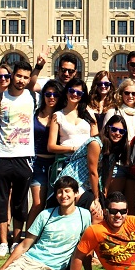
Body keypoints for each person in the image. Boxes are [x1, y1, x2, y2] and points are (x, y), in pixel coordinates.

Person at [0, 61, 36, 256]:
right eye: (19, 76)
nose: (22, 80)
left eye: (25, 77)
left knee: (20, 203)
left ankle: (15, 241)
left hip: (24, 157)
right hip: (3, 155)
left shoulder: (32, 96)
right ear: (12, 76)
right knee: (1, 201)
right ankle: (3, 241)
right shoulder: (0, 98)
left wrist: (40, 65)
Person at [102, 78, 135, 210]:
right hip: (117, 163)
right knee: (113, 201)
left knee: (131, 207)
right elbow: (104, 137)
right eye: (127, 93)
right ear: (121, 93)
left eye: (134, 93)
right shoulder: (113, 112)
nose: (130, 96)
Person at [47, 78, 98, 206]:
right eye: (72, 90)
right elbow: (51, 146)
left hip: (86, 164)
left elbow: (95, 140)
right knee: (65, 202)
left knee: (86, 202)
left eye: (79, 93)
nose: (75, 94)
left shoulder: (89, 114)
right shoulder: (58, 115)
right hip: (65, 163)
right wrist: (73, 149)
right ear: (66, 92)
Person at [26, 80, 64, 229]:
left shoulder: (62, 115)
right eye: (48, 94)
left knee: (53, 204)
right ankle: (26, 238)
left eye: (55, 94)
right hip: (37, 163)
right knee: (37, 203)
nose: (52, 97)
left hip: (56, 164)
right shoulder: (34, 113)